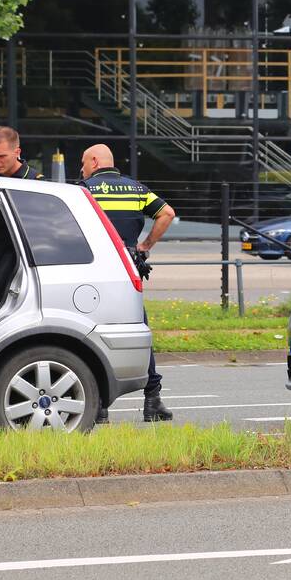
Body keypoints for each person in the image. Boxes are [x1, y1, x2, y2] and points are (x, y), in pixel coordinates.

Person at [80, 144, 176, 423]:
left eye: (83, 164)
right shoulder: (137, 189)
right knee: (138, 330)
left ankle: (100, 407)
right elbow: (167, 213)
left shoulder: (84, 191)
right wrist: (145, 246)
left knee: (92, 334)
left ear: (94, 161)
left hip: (93, 272)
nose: (81, 170)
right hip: (127, 271)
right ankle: (152, 400)